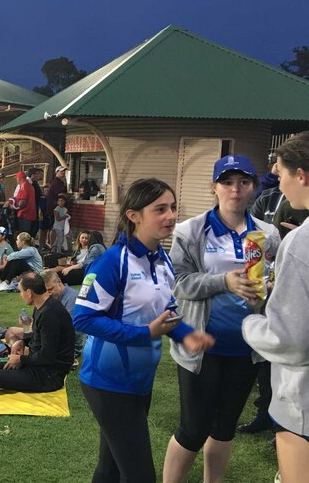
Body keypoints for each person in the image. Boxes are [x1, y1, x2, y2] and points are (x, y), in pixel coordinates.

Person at [73, 178, 215, 483]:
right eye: (160, 209)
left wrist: (185, 333)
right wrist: (143, 334)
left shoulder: (162, 259)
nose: (171, 216)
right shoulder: (111, 262)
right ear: (133, 215)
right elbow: (83, 318)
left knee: (111, 468)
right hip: (107, 382)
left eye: (174, 208)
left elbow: (166, 313)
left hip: (139, 381)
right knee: (139, 475)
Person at [161, 154, 280, 483]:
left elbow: (277, 286)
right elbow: (178, 283)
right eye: (226, 182)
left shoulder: (267, 234)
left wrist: (270, 286)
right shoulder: (191, 231)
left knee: (225, 428)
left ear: (253, 187)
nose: (235, 190)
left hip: (246, 348)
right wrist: (223, 281)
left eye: (243, 182)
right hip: (203, 348)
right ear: (214, 187)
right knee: (193, 429)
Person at [242, 132, 309, 483]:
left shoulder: (300, 243)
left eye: (281, 173)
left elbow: (291, 341)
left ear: (302, 175)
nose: (278, 183)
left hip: (302, 405)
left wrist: (250, 322)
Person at [37, 270, 82, 358]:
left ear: (59, 282)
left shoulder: (72, 298)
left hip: (68, 348)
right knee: (12, 333)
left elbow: (72, 331)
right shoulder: (55, 297)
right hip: (53, 340)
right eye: (45, 291)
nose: (48, 294)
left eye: (50, 289)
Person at [45, 166, 69, 246]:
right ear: (57, 172)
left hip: (55, 207)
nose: (63, 173)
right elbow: (59, 194)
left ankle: (52, 244)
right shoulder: (56, 182)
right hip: (53, 208)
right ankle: (52, 245)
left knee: (53, 227)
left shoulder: (59, 182)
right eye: (61, 171)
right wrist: (66, 195)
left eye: (64, 172)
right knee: (54, 227)